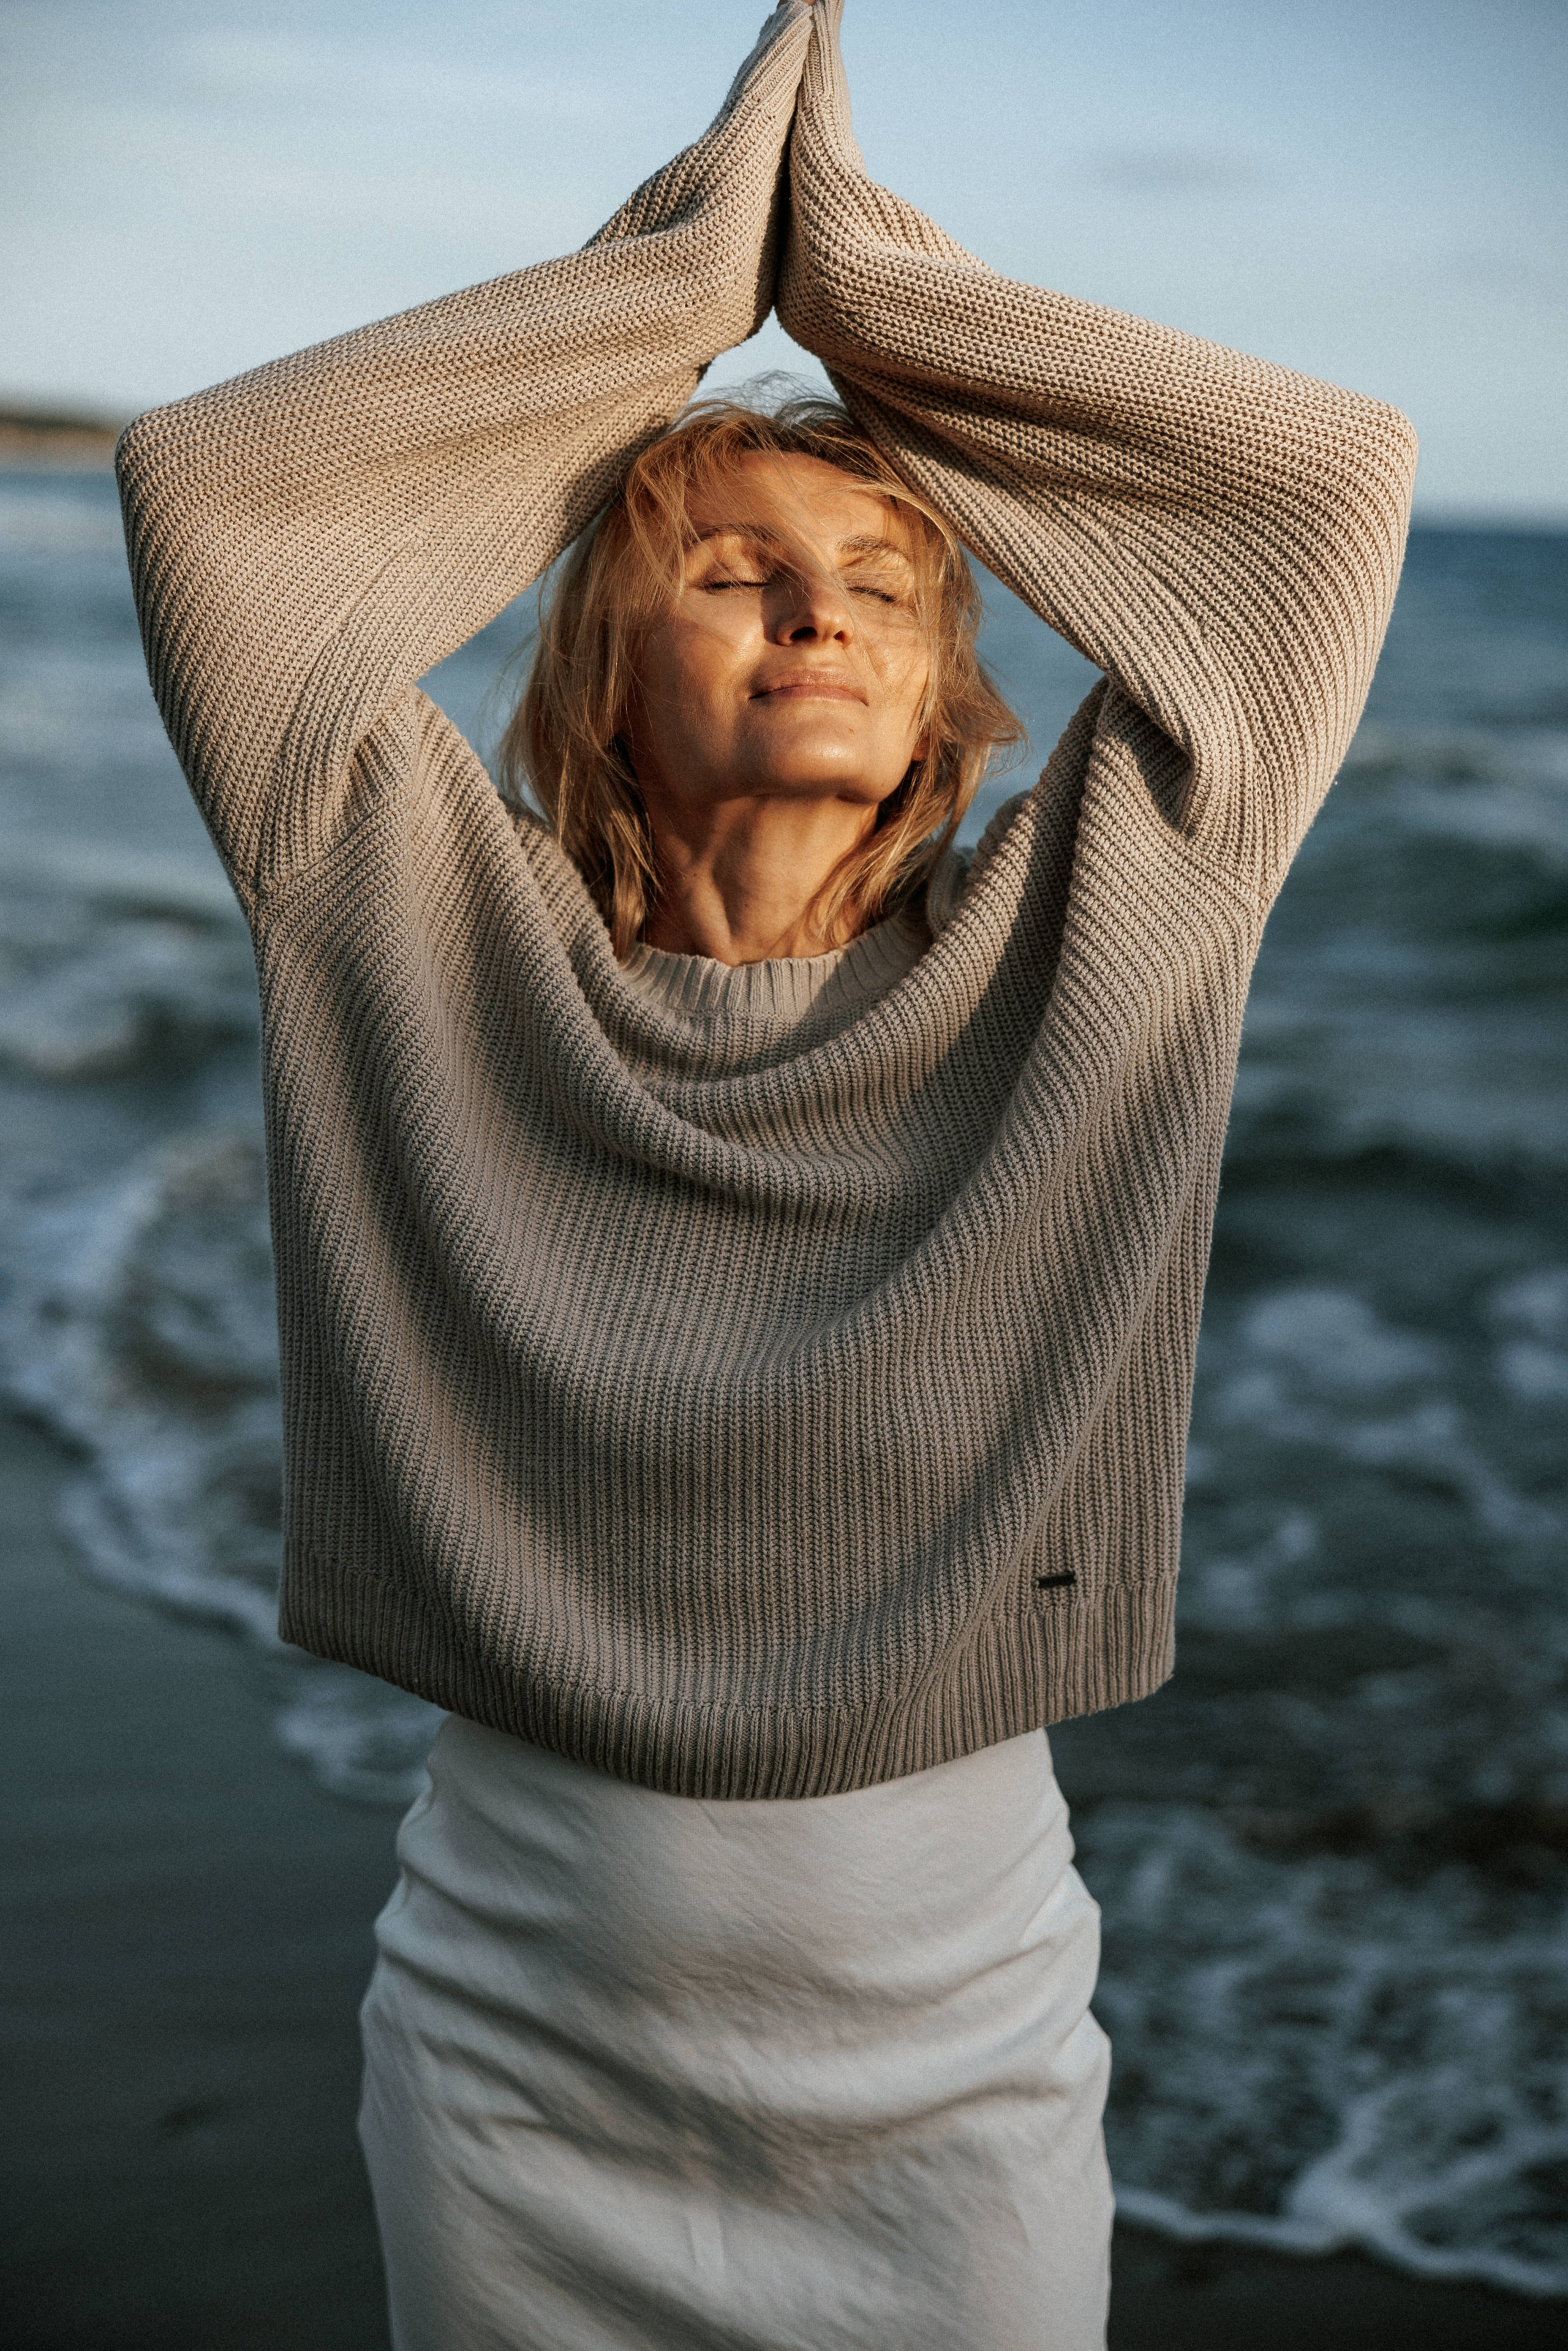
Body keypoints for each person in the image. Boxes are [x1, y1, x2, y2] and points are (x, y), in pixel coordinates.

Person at [115, 2, 1417, 2344]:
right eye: (728, 573)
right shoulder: (398, 893)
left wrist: (861, 296)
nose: (818, 610)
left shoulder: (1107, 922)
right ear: (605, 664)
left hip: (956, 2077)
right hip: (518, 2055)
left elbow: (1320, 495)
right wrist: (689, 275)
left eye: (886, 587)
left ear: (942, 691)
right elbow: (217, 499)